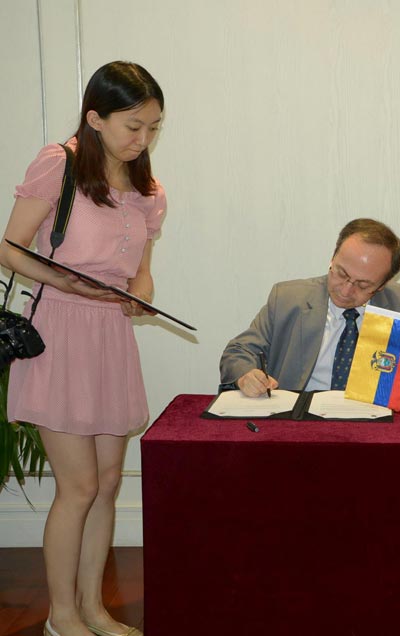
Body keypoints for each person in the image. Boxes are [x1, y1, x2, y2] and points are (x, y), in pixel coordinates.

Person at [0, 62, 167, 636]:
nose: (142, 140)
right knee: (79, 487)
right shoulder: (60, 163)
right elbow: (10, 247)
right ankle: (61, 616)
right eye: (132, 127)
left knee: (109, 483)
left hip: (110, 337)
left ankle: (94, 609)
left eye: (152, 128)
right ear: (95, 118)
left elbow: (141, 272)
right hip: (63, 330)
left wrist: (140, 294)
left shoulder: (147, 188)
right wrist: (65, 280)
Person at [220, 218, 400, 409]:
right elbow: (238, 352)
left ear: (382, 285)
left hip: (371, 422)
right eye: (341, 273)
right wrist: (247, 375)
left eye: (363, 284)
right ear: (332, 258)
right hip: (298, 422)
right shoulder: (288, 299)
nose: (346, 290)